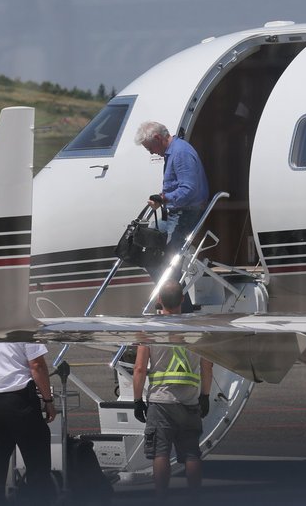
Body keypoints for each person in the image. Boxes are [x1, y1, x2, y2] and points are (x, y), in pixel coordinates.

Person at [133, 280, 213, 500]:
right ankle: (195, 497)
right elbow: (207, 366)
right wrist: (205, 395)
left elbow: (140, 368)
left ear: (159, 300)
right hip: (189, 401)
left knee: (160, 453)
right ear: (182, 300)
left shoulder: (149, 329)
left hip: (161, 402)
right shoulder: (198, 328)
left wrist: (137, 400)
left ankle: (161, 497)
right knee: (191, 454)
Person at [0, 342, 56, 506]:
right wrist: (48, 400)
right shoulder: (22, 327)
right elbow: (37, 366)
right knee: (37, 463)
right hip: (20, 401)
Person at [134, 121, 210, 254]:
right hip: (177, 212)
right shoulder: (174, 151)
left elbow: (189, 189)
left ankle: (172, 274)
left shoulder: (180, 153)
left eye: (150, 148)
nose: (151, 153)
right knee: (147, 240)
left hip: (186, 213)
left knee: (164, 254)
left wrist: (164, 199)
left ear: (158, 138)